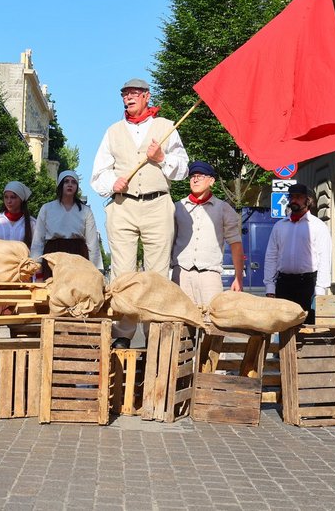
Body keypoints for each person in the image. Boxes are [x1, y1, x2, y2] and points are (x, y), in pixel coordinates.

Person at [91, 77, 189, 348]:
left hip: (158, 204)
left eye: (134, 93)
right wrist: (113, 182)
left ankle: (153, 334)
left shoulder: (166, 127)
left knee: (156, 272)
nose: (128, 98)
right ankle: (123, 333)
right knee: (123, 273)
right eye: (124, 94)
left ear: (147, 96)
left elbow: (182, 168)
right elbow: (98, 173)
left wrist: (161, 159)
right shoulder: (113, 131)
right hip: (123, 206)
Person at [171, 161, 243, 311]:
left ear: (211, 180)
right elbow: (169, 241)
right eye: (192, 176)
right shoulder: (177, 207)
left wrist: (238, 278)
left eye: (200, 176)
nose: (195, 179)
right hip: (181, 274)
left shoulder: (223, 208)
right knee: (181, 323)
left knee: (213, 322)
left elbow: (236, 244)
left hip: (210, 275)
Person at [263, 183, 331, 324]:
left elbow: (324, 258)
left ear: (308, 200)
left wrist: (320, 289)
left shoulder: (318, 226)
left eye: (299, 197)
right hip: (284, 284)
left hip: (307, 284)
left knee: (307, 327)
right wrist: (270, 287)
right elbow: (271, 256)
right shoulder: (279, 226)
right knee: (282, 326)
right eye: (291, 197)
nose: (294, 200)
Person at [31, 170, 103, 279]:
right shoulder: (47, 208)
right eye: (66, 181)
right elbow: (38, 240)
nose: (70, 184)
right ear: (61, 185)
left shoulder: (85, 211)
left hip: (78, 255)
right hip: (53, 255)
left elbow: (92, 242)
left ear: (77, 187)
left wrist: (96, 270)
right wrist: (37, 267)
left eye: (73, 182)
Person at [0, 181, 37, 247]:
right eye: (6, 197)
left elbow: (36, 249)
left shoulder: (32, 223)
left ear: (21, 199)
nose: (8, 201)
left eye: (13, 197)